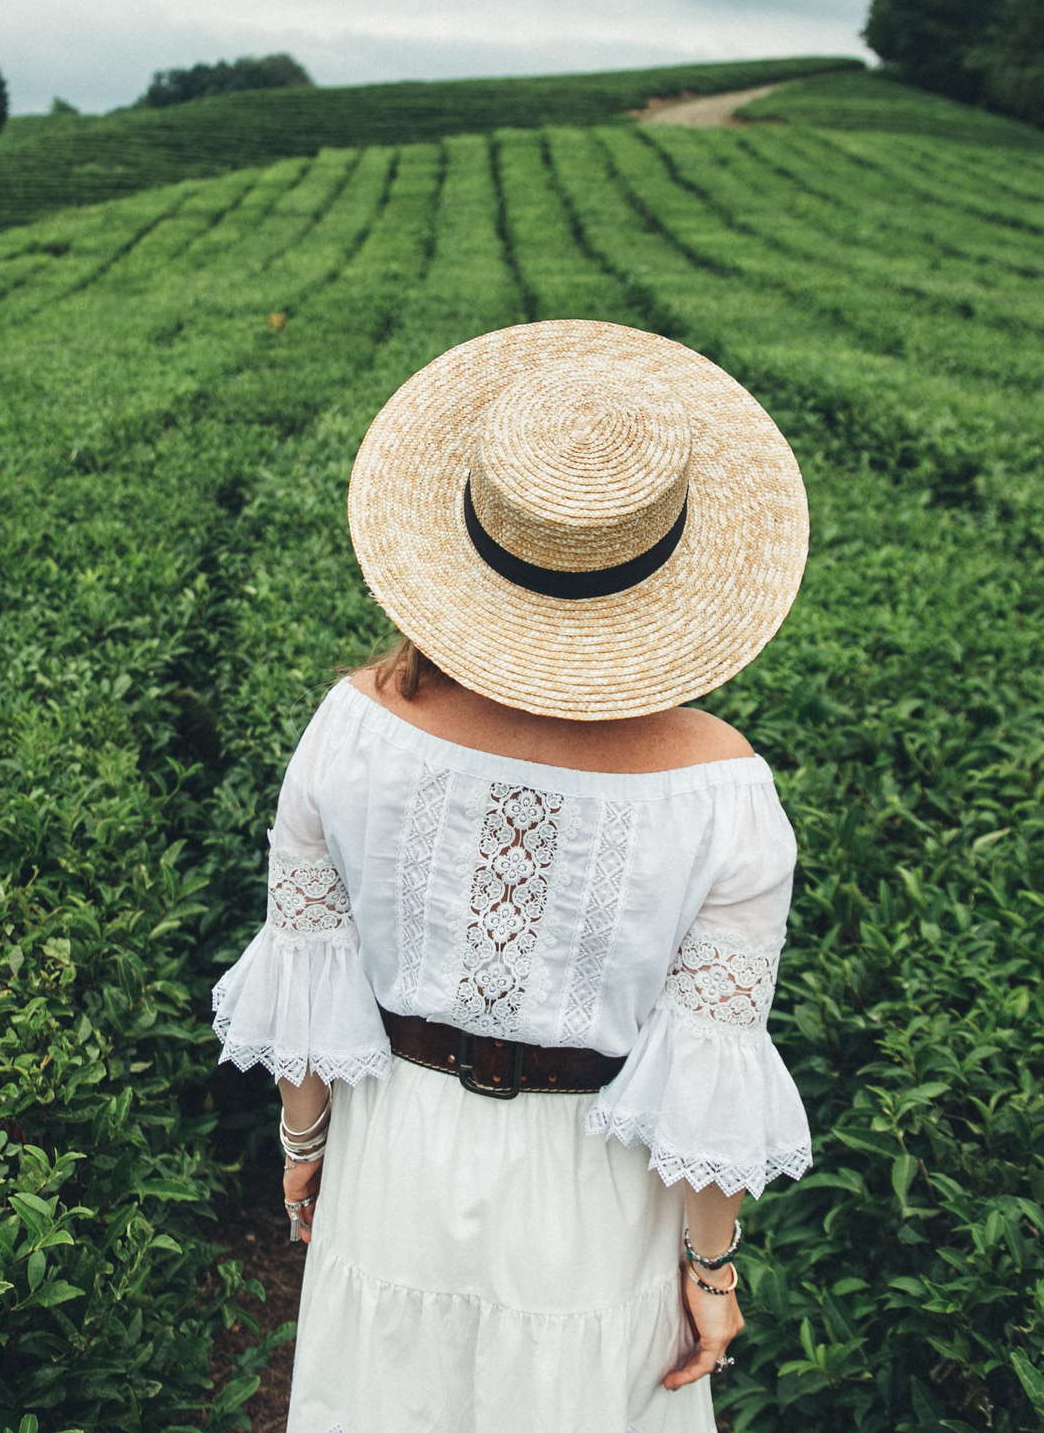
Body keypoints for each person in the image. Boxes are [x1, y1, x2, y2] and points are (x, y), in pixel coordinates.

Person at [211, 319, 814, 1430]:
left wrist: (306, 1149)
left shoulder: (354, 725)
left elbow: (308, 974)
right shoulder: (726, 794)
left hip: (394, 1154)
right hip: (590, 1201)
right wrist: (711, 1270)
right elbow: (706, 1082)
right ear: (670, 560)